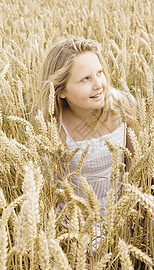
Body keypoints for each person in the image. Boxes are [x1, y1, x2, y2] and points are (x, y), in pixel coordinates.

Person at [37, 36, 136, 247]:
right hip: (77, 222)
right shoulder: (54, 127)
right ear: (61, 90)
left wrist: (133, 210)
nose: (98, 84)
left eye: (99, 73)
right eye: (85, 79)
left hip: (124, 208)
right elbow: (50, 188)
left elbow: (136, 163)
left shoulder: (121, 105)